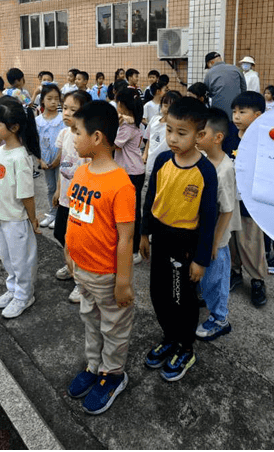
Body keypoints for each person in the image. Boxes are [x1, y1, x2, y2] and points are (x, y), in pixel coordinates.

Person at [64, 101, 136, 415]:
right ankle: (95, 366)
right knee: (91, 321)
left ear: (96, 137)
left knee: (114, 327)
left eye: (75, 132)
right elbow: (75, 217)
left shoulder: (121, 184)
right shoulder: (81, 171)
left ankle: (113, 374)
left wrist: (123, 283)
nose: (72, 137)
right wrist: (69, 253)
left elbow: (126, 238)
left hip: (106, 274)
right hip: (81, 270)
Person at [140, 97, 217, 382]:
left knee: (180, 297)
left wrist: (200, 258)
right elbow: (150, 199)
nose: (172, 138)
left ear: (199, 136)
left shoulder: (205, 171)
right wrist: (144, 233)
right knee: (158, 294)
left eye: (181, 133)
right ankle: (169, 337)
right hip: (160, 237)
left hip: (184, 245)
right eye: (169, 130)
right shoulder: (162, 159)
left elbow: (209, 218)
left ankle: (185, 347)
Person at [0, 99, 42, 319]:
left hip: (16, 219)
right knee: (7, 258)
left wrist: (32, 219)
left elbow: (26, 194)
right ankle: (13, 288)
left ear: (15, 127)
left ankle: (24, 295)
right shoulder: (1, 151)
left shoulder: (21, 157)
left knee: (22, 260)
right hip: (0, 215)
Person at [194, 108, 239, 341]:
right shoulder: (201, 160)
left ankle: (220, 319)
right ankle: (209, 302)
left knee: (217, 277)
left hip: (216, 238)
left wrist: (215, 241)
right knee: (207, 277)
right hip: (202, 232)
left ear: (218, 137)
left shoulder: (225, 169)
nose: (195, 137)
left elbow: (228, 208)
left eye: (201, 133)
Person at [228, 91, 271, 305]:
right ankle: (234, 273)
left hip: (250, 203)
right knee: (231, 241)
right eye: (234, 111)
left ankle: (257, 280)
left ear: (257, 115)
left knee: (251, 242)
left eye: (242, 112)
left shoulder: (264, 141)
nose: (236, 116)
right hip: (229, 200)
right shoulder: (228, 137)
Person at [52, 89, 93, 303]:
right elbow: (63, 167)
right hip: (65, 198)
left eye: (73, 110)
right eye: (65, 107)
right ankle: (72, 266)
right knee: (60, 234)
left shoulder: (86, 139)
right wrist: (59, 190)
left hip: (81, 203)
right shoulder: (63, 134)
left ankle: (81, 283)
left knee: (76, 242)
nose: (66, 113)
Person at [114, 89, 145, 262]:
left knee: (131, 213)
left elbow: (114, 146)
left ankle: (134, 251)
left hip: (130, 173)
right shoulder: (135, 122)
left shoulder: (127, 126)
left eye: (118, 102)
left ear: (123, 105)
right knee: (131, 211)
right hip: (133, 171)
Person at [36, 85, 65, 230]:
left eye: (56, 99)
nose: (54, 102)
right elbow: (35, 143)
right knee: (50, 187)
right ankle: (53, 213)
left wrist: (58, 159)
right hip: (46, 161)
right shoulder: (38, 121)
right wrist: (40, 160)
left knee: (62, 187)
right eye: (49, 99)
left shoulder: (62, 120)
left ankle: (60, 215)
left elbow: (65, 142)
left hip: (61, 161)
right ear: (42, 101)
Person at [203, 52, 246, 121]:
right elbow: (243, 88)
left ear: (211, 62)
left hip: (218, 113)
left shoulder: (209, 73)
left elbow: (207, 91)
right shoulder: (236, 69)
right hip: (236, 111)